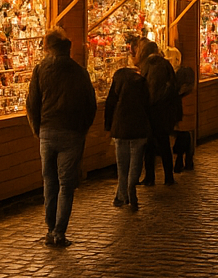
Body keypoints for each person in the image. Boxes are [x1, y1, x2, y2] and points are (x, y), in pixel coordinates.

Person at [26, 27, 97, 246]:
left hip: (47, 131)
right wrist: (82, 129)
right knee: (66, 184)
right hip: (72, 132)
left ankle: (50, 227)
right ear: (68, 48)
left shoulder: (41, 70)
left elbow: (32, 103)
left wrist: (38, 129)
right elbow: (90, 105)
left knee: (50, 181)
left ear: (48, 47)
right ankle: (59, 231)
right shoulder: (79, 71)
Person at [105, 57, 152, 211]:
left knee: (122, 165)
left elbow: (109, 105)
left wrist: (108, 127)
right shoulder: (141, 83)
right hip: (139, 129)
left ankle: (121, 195)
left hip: (120, 130)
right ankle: (131, 188)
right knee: (135, 163)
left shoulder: (117, 84)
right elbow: (148, 105)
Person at [138, 39, 179, 187]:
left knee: (149, 145)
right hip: (164, 109)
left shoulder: (146, 65)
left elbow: (143, 86)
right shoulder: (165, 64)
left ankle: (150, 177)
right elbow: (174, 85)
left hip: (151, 109)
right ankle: (168, 176)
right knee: (163, 143)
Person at [170, 46, 197, 173]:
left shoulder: (178, 92)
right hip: (189, 115)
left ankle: (179, 160)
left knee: (181, 136)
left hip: (181, 115)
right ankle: (189, 160)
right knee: (189, 137)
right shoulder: (191, 91)